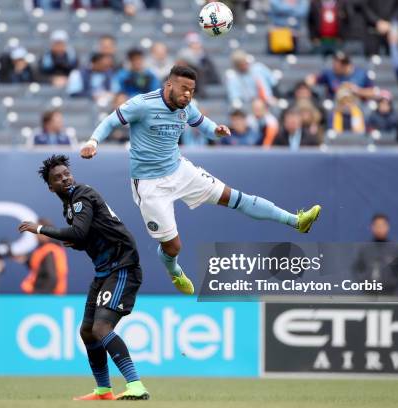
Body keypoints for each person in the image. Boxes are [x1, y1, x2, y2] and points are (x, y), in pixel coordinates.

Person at [80, 65, 321, 295]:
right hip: (150, 185)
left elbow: (202, 124)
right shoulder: (142, 105)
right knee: (173, 247)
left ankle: (296, 221)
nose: (187, 95)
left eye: (191, 91)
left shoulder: (186, 107)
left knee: (235, 197)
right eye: (183, 88)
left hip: (180, 171)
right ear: (168, 85)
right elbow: (111, 120)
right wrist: (93, 141)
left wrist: (217, 130)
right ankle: (174, 271)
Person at [18, 155, 149, 401]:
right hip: (103, 270)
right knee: (87, 331)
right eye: (57, 177)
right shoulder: (69, 206)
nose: (64, 178)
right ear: (50, 187)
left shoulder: (82, 194)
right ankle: (104, 390)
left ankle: (136, 385)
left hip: (122, 266)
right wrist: (77, 243)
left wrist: (40, 229)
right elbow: (83, 236)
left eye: (66, 173)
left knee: (101, 327)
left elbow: (78, 231)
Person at [352, 213, 398, 296]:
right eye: (377, 226)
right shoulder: (364, 248)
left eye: (382, 225)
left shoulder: (395, 249)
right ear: (372, 227)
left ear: (387, 227)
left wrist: (392, 283)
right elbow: (356, 269)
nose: (380, 229)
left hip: (390, 294)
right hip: (369, 294)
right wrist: (365, 282)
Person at [18, 218, 68, 294]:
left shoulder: (49, 251)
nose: (35, 236)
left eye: (37, 231)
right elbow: (39, 268)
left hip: (47, 297)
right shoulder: (50, 249)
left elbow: (51, 277)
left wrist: (41, 296)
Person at [306, 51, 376, 100]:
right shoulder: (330, 73)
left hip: (356, 105)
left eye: (337, 65)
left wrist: (356, 90)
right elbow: (312, 79)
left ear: (346, 65)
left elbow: (372, 92)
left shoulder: (361, 74)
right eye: (334, 63)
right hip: (335, 106)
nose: (334, 67)